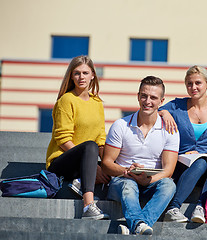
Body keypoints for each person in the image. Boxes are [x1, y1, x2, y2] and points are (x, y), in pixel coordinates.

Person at [101, 76, 180, 235]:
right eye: (144, 96)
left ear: (161, 101)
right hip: (122, 181)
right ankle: (139, 224)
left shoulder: (170, 129)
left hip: (151, 181)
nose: (147, 101)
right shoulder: (121, 125)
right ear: (138, 96)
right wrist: (127, 172)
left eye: (153, 97)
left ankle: (135, 226)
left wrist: (148, 179)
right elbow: (106, 163)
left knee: (169, 185)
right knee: (129, 185)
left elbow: (168, 171)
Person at [160, 65, 207, 224]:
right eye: (189, 84)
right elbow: (153, 111)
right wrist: (165, 113)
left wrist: (206, 156)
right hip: (182, 163)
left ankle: (201, 207)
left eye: (198, 83)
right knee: (201, 163)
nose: (193, 87)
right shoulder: (177, 106)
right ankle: (173, 208)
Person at [46, 55, 109, 220]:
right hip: (61, 163)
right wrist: (92, 166)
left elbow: (101, 138)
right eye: (77, 73)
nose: (81, 77)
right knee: (90, 146)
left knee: (109, 161)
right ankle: (88, 206)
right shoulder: (66, 100)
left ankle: (82, 180)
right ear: (71, 76)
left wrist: (107, 165)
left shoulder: (97, 103)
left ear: (93, 75)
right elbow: (62, 139)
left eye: (85, 73)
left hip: (86, 160)